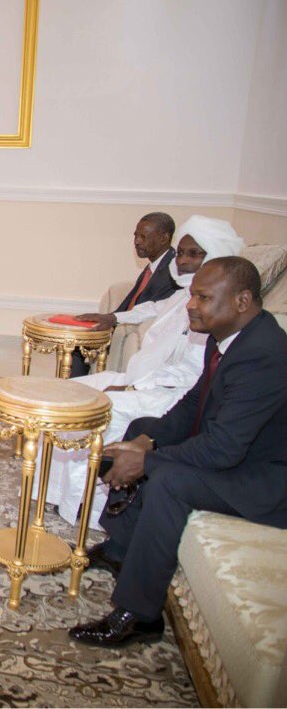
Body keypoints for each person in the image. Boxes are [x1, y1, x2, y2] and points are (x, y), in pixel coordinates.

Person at [68, 257, 287, 648]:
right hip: (236, 452)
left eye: (203, 297)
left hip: (264, 479)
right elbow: (192, 405)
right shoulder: (230, 336)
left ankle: (139, 615)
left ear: (242, 301)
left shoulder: (265, 355)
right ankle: (119, 549)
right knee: (140, 429)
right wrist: (147, 442)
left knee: (167, 481)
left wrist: (147, 462)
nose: (191, 305)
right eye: (192, 295)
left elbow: (223, 450)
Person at [40, 216, 245, 527]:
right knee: (70, 391)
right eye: (182, 254)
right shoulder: (184, 294)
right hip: (138, 381)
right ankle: (54, 490)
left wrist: (132, 390)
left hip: (165, 396)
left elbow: (191, 378)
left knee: (98, 410)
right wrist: (113, 317)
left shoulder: (213, 309)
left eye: (195, 254)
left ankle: (85, 507)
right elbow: (152, 307)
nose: (185, 261)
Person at [71, 212, 178, 376]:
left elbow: (150, 309)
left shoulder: (172, 271)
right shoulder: (155, 265)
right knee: (76, 340)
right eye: (135, 235)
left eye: (143, 236)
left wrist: (111, 319)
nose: (137, 241)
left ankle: (76, 394)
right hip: (120, 321)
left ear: (164, 238)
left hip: (131, 328)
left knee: (77, 346)